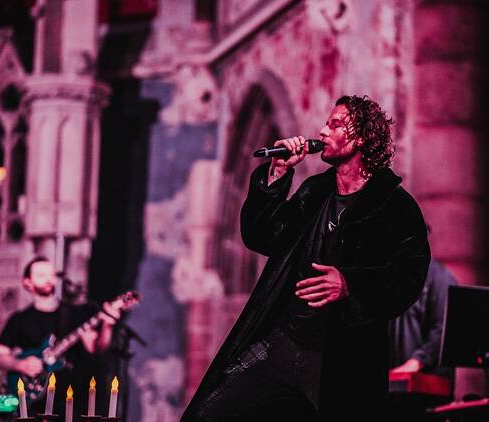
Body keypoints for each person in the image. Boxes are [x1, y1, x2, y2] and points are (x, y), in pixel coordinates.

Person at [182, 95, 431, 421]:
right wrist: (278, 173)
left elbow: (408, 276)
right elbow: (261, 236)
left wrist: (350, 284)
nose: (322, 131)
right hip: (284, 341)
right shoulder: (315, 192)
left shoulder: (394, 205)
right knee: (210, 412)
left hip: (342, 358)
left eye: (335, 124)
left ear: (363, 138)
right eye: (326, 124)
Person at [0, 256, 119, 416]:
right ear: (27, 282)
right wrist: (20, 365)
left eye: (51, 274)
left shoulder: (75, 314)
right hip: (36, 405)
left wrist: (107, 325)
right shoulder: (20, 320)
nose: (48, 279)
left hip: (73, 401)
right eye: (41, 275)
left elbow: (96, 348)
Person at [391, 259, 457, 379]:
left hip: (428, 379)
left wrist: (417, 361)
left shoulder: (439, 277)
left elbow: (444, 328)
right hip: (394, 377)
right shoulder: (391, 277)